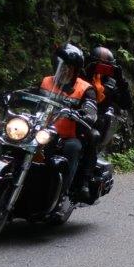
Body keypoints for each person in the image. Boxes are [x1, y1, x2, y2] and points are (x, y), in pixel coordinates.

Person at [40, 43, 97, 201]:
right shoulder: (46, 81)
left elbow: (91, 110)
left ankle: (62, 194)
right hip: (40, 130)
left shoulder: (85, 89)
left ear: (75, 70)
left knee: (73, 148)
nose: (64, 69)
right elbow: (28, 95)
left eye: (69, 67)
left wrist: (86, 115)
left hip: (67, 136)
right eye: (61, 65)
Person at [79, 46, 133, 198]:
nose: (101, 69)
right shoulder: (79, 75)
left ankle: (84, 181)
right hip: (71, 114)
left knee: (93, 136)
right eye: (98, 65)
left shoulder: (111, 84)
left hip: (94, 122)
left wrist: (121, 81)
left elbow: (126, 104)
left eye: (106, 67)